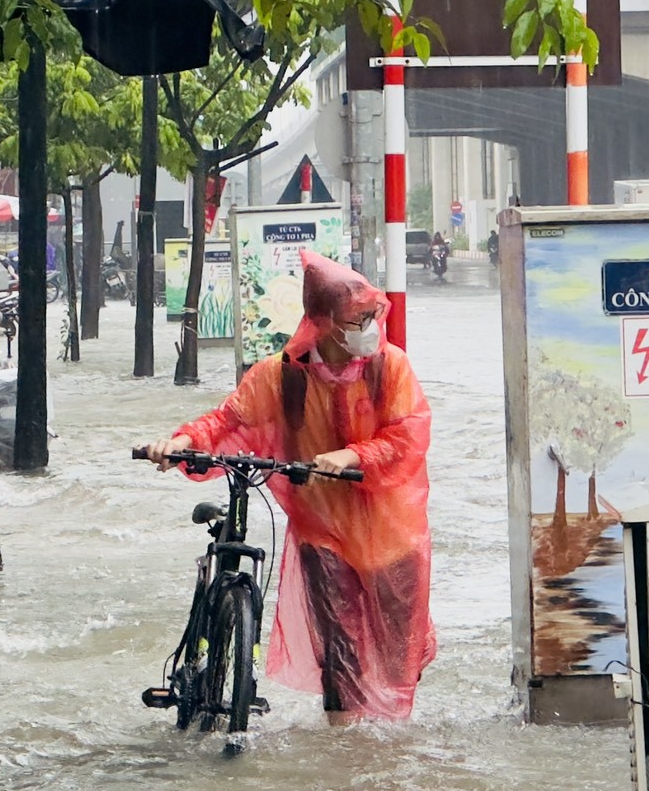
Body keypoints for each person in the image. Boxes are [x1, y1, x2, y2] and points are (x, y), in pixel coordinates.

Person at [145, 252, 435, 724]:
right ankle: (343, 751)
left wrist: (352, 455)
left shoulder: (391, 369)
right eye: (355, 318)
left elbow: (410, 434)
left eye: (370, 314)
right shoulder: (279, 376)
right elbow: (226, 421)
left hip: (394, 537)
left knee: (398, 657)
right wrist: (178, 443)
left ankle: (392, 757)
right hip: (323, 535)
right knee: (340, 656)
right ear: (321, 324)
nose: (367, 325)